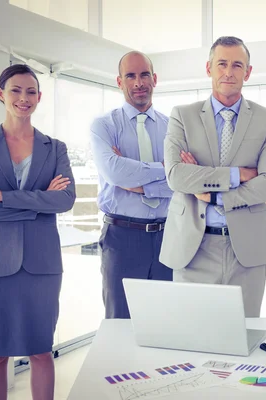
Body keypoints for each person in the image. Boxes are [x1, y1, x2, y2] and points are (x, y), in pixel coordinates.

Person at [0, 64, 76, 400]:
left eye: (30, 92)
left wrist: (0, 195)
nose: (23, 98)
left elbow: (65, 199)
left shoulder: (55, 148)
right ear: (1, 94)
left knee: (41, 351)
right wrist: (41, 201)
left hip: (41, 265)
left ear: (39, 97)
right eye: (15, 90)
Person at [160, 36, 266, 317]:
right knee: (192, 341)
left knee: (244, 338)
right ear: (209, 68)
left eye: (237, 65)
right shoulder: (182, 116)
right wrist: (237, 175)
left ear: (248, 72)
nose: (229, 72)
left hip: (247, 252)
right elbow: (177, 177)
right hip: (194, 249)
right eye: (222, 64)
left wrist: (213, 192)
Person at [91, 51, 173, 319]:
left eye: (144, 74)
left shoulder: (174, 127)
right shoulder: (103, 126)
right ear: (119, 81)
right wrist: (165, 170)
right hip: (122, 237)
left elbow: (183, 180)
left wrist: (141, 183)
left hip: (167, 236)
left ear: (154, 78)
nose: (138, 82)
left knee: (166, 323)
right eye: (130, 76)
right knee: (121, 323)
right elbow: (116, 173)